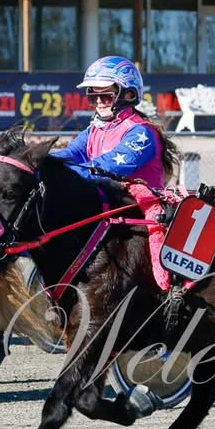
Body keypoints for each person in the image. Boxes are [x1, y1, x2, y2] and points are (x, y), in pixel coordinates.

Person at [51, 56, 178, 291]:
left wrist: (60, 176)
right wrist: (35, 164)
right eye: (93, 97)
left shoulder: (141, 133)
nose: (99, 102)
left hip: (140, 214)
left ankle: (168, 288)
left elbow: (105, 168)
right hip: (108, 207)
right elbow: (67, 156)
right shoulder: (95, 129)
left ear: (127, 95)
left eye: (106, 96)